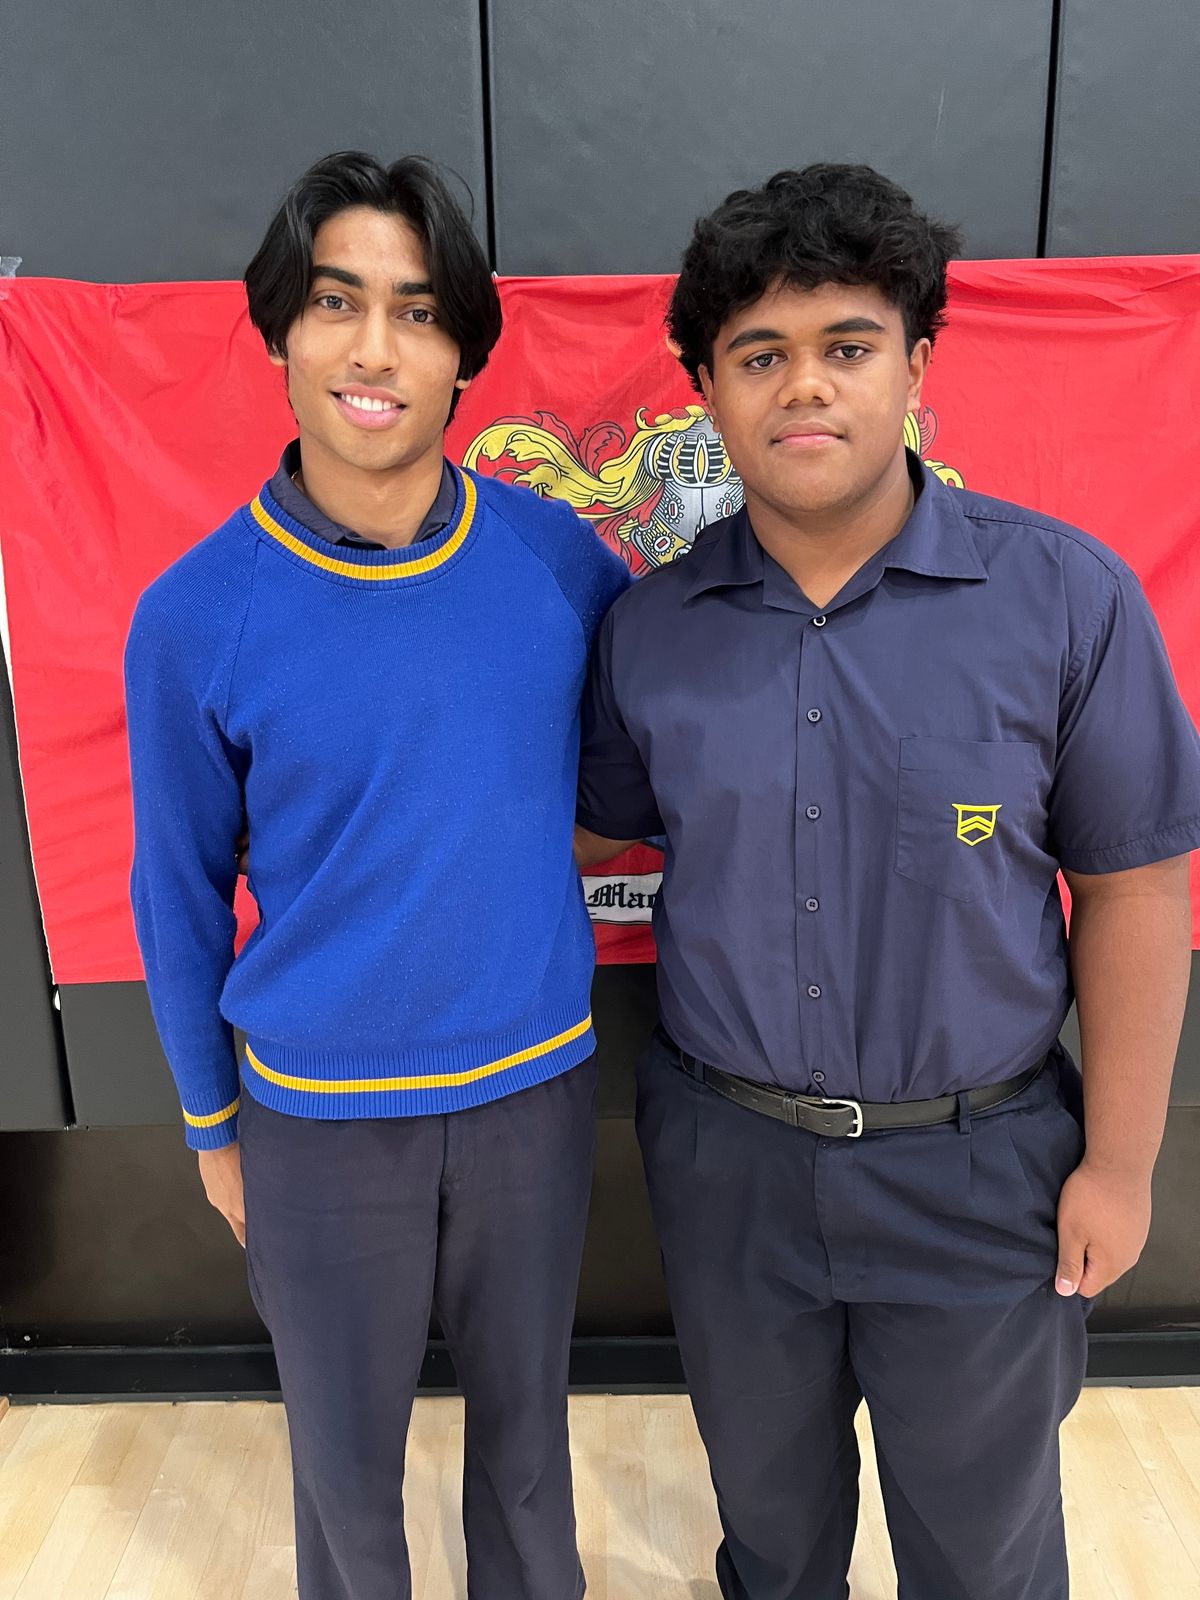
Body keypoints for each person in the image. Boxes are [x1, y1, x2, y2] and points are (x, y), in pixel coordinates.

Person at [575, 163, 1200, 1599]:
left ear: (918, 363)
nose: (805, 385)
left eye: (847, 345)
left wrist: (1119, 1164)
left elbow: (1135, 891)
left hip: (980, 1175)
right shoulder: (650, 628)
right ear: (707, 393)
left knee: (985, 1558)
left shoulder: (1066, 599)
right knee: (772, 1541)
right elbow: (586, 836)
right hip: (729, 1168)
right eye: (760, 355)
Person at [125, 149, 630, 1600]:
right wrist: (214, 1127)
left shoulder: (556, 558)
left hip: (533, 1091)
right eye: (336, 302)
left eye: (416, 311)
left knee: (527, 1455)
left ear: (462, 351)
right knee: (344, 1476)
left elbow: (619, 783)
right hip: (317, 1121)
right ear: (280, 332)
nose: (374, 348)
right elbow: (175, 892)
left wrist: (500, 856)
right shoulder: (197, 615)